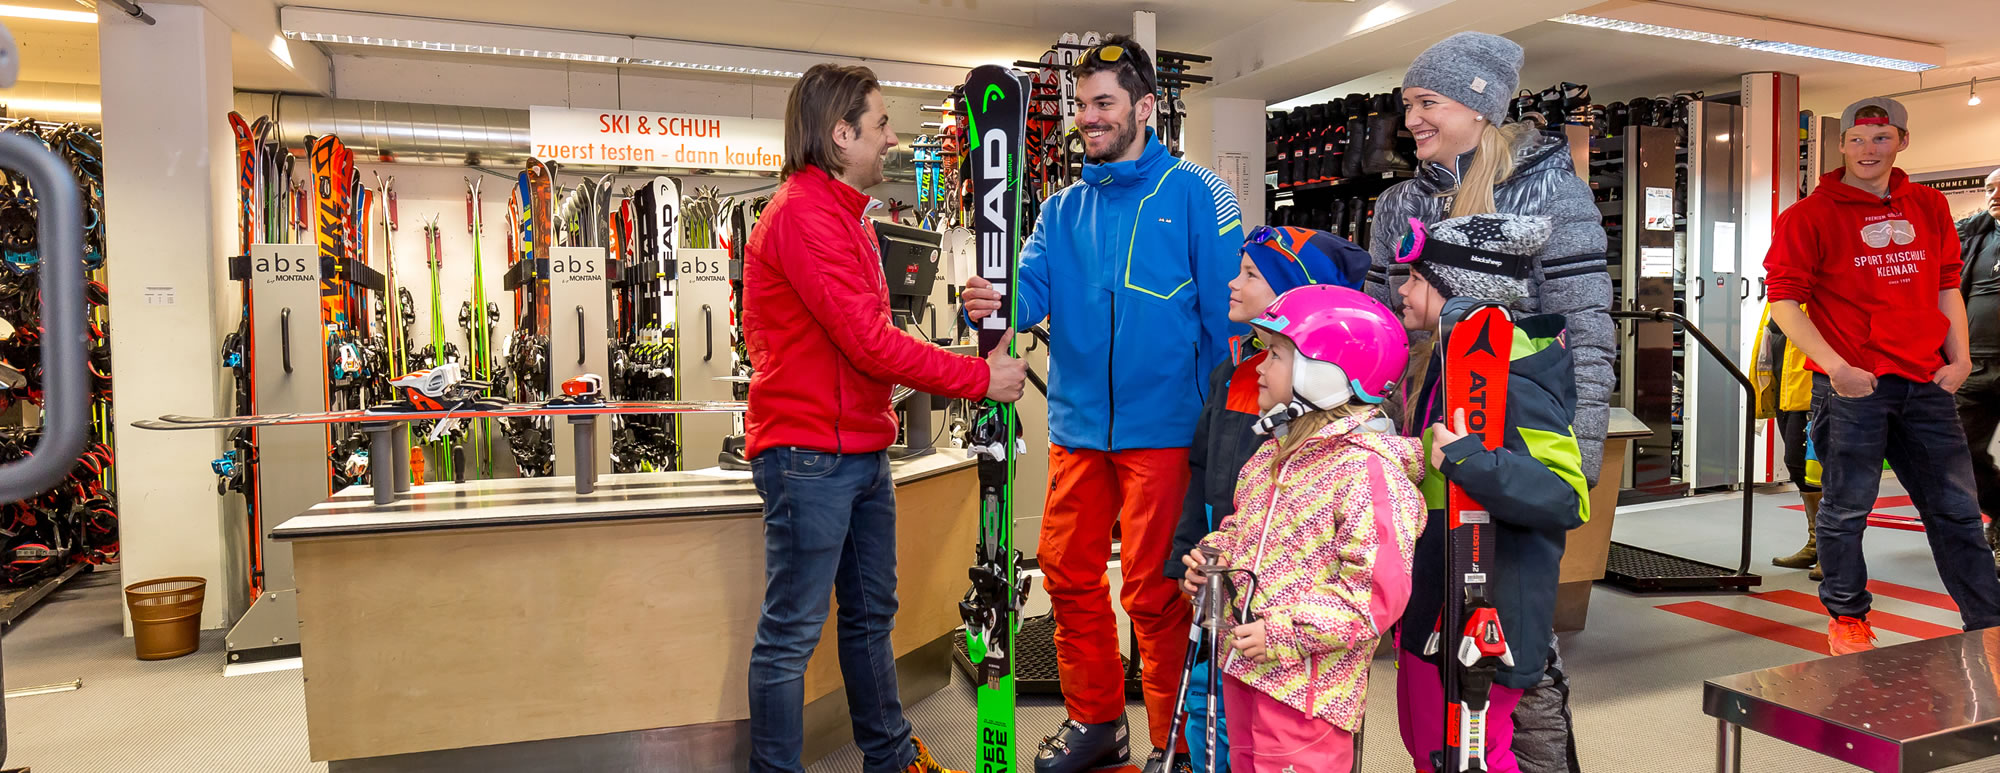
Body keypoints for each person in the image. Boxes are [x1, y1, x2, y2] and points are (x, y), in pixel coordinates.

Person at [959, 34, 1245, 773]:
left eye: (1104, 103)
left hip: (1166, 433)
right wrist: (991, 304)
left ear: (1145, 108)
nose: (1088, 117)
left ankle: (1175, 739)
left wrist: (1224, 434)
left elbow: (1227, 323)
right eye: (1081, 106)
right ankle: (1095, 724)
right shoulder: (1060, 210)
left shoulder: (1197, 194)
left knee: (1155, 591)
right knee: (1066, 575)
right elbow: (1027, 296)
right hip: (1079, 430)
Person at [742, 62, 1028, 773]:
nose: (892, 138)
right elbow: (869, 343)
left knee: (872, 618)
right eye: (880, 125)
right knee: (791, 633)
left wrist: (965, 340)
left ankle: (890, 756)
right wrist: (979, 376)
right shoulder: (805, 217)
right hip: (809, 455)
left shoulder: (849, 217)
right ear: (840, 135)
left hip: (859, 449)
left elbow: (873, 333)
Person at [1364, 32, 1608, 772]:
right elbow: (1381, 328)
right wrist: (1375, 432)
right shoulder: (1401, 199)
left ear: (1478, 104)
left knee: (1515, 661)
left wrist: (1578, 459)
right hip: (1427, 432)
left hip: (1514, 429)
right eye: (1407, 104)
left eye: (1427, 102)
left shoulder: (1548, 187)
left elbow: (1586, 324)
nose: (1412, 119)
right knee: (1438, 640)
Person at [1764, 97, 2000, 656]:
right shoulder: (1808, 215)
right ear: (1842, 145)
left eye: (1882, 138)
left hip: (1926, 384)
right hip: (1852, 386)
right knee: (1847, 509)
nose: (1869, 150)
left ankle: (1989, 623)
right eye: (1859, 139)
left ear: (1902, 142)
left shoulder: (1928, 206)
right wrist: (1838, 368)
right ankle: (1848, 618)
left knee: (1957, 510)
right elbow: (1785, 305)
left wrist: (1959, 358)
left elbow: (1947, 285)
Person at [1178, 284, 1427, 773]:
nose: (1261, 367)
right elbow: (1242, 531)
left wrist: (1283, 633)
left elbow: (1374, 595)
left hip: (1306, 693)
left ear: (1327, 373)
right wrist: (1214, 560)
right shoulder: (1272, 456)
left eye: (1274, 355)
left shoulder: (1368, 473)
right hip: (1247, 667)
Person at [1164, 226, 1371, 770]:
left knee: (1272, 725)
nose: (1232, 284)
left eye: (1251, 275)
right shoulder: (1235, 370)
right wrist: (1191, 548)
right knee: (1212, 695)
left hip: (1285, 603)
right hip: (1226, 572)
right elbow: (1203, 469)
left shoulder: (1308, 394)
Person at [1390, 213, 1590, 773]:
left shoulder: (1514, 380)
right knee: (1430, 745)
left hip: (1488, 613)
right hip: (1435, 600)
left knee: (1471, 750)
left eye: (1416, 279)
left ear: (1460, 288)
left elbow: (1565, 494)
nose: (1402, 290)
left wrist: (1472, 461)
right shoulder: (1445, 364)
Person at [1754, 305, 1825, 577]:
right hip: (1786, 393)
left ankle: (1831, 550)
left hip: (1813, 393)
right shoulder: (1778, 298)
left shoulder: (1818, 294)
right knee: (1796, 465)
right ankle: (1815, 543)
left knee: (1820, 473)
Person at [1955, 168, 2000, 568]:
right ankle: (1999, 515)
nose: (1995, 195)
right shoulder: (1975, 235)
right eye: (1989, 189)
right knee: (1962, 452)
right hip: (1976, 364)